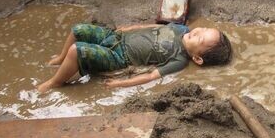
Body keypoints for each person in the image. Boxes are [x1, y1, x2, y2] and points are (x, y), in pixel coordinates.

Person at [37, 22, 232, 93]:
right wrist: (131, 28)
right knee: (78, 29)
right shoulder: (181, 29)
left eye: (200, 38)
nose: (198, 31)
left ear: (197, 59)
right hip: (116, 37)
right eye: (203, 29)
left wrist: (120, 84)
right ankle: (60, 59)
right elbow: (154, 27)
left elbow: (151, 77)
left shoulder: (179, 60)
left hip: (118, 56)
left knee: (77, 50)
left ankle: (55, 83)